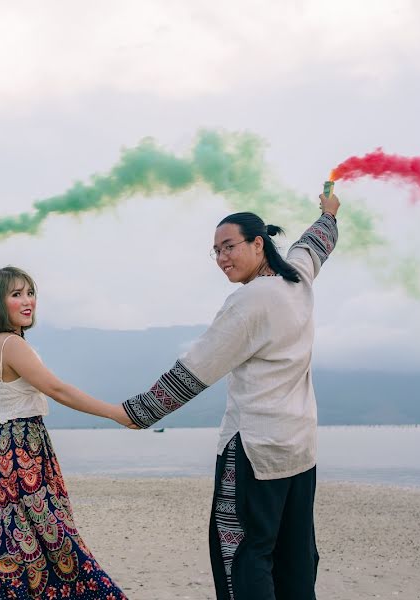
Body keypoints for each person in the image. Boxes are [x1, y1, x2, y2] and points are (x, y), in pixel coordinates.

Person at [120, 192, 341, 600]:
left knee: (245, 555)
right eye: (216, 251)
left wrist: (135, 414)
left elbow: (195, 371)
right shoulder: (298, 278)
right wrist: (328, 212)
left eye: (229, 247)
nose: (222, 258)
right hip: (300, 448)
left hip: (255, 449)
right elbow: (316, 244)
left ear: (259, 243)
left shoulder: (249, 300)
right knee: (296, 556)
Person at [0, 263, 132, 600]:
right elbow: (58, 390)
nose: (27, 301)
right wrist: (117, 413)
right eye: (16, 295)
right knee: (57, 543)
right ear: (0, 303)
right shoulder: (12, 345)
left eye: (30, 293)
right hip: (18, 451)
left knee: (13, 545)